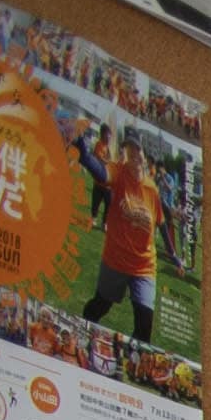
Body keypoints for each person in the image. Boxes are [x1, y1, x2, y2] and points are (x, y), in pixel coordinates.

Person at [71, 133, 157, 349]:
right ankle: (83, 332)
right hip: (116, 261)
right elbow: (101, 172)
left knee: (145, 324)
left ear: (144, 157)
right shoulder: (119, 174)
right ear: (124, 158)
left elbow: (162, 222)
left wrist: (175, 256)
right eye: (130, 152)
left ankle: (131, 363)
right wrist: (83, 152)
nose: (135, 155)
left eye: (138, 151)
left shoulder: (152, 189)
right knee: (99, 307)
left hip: (144, 266)